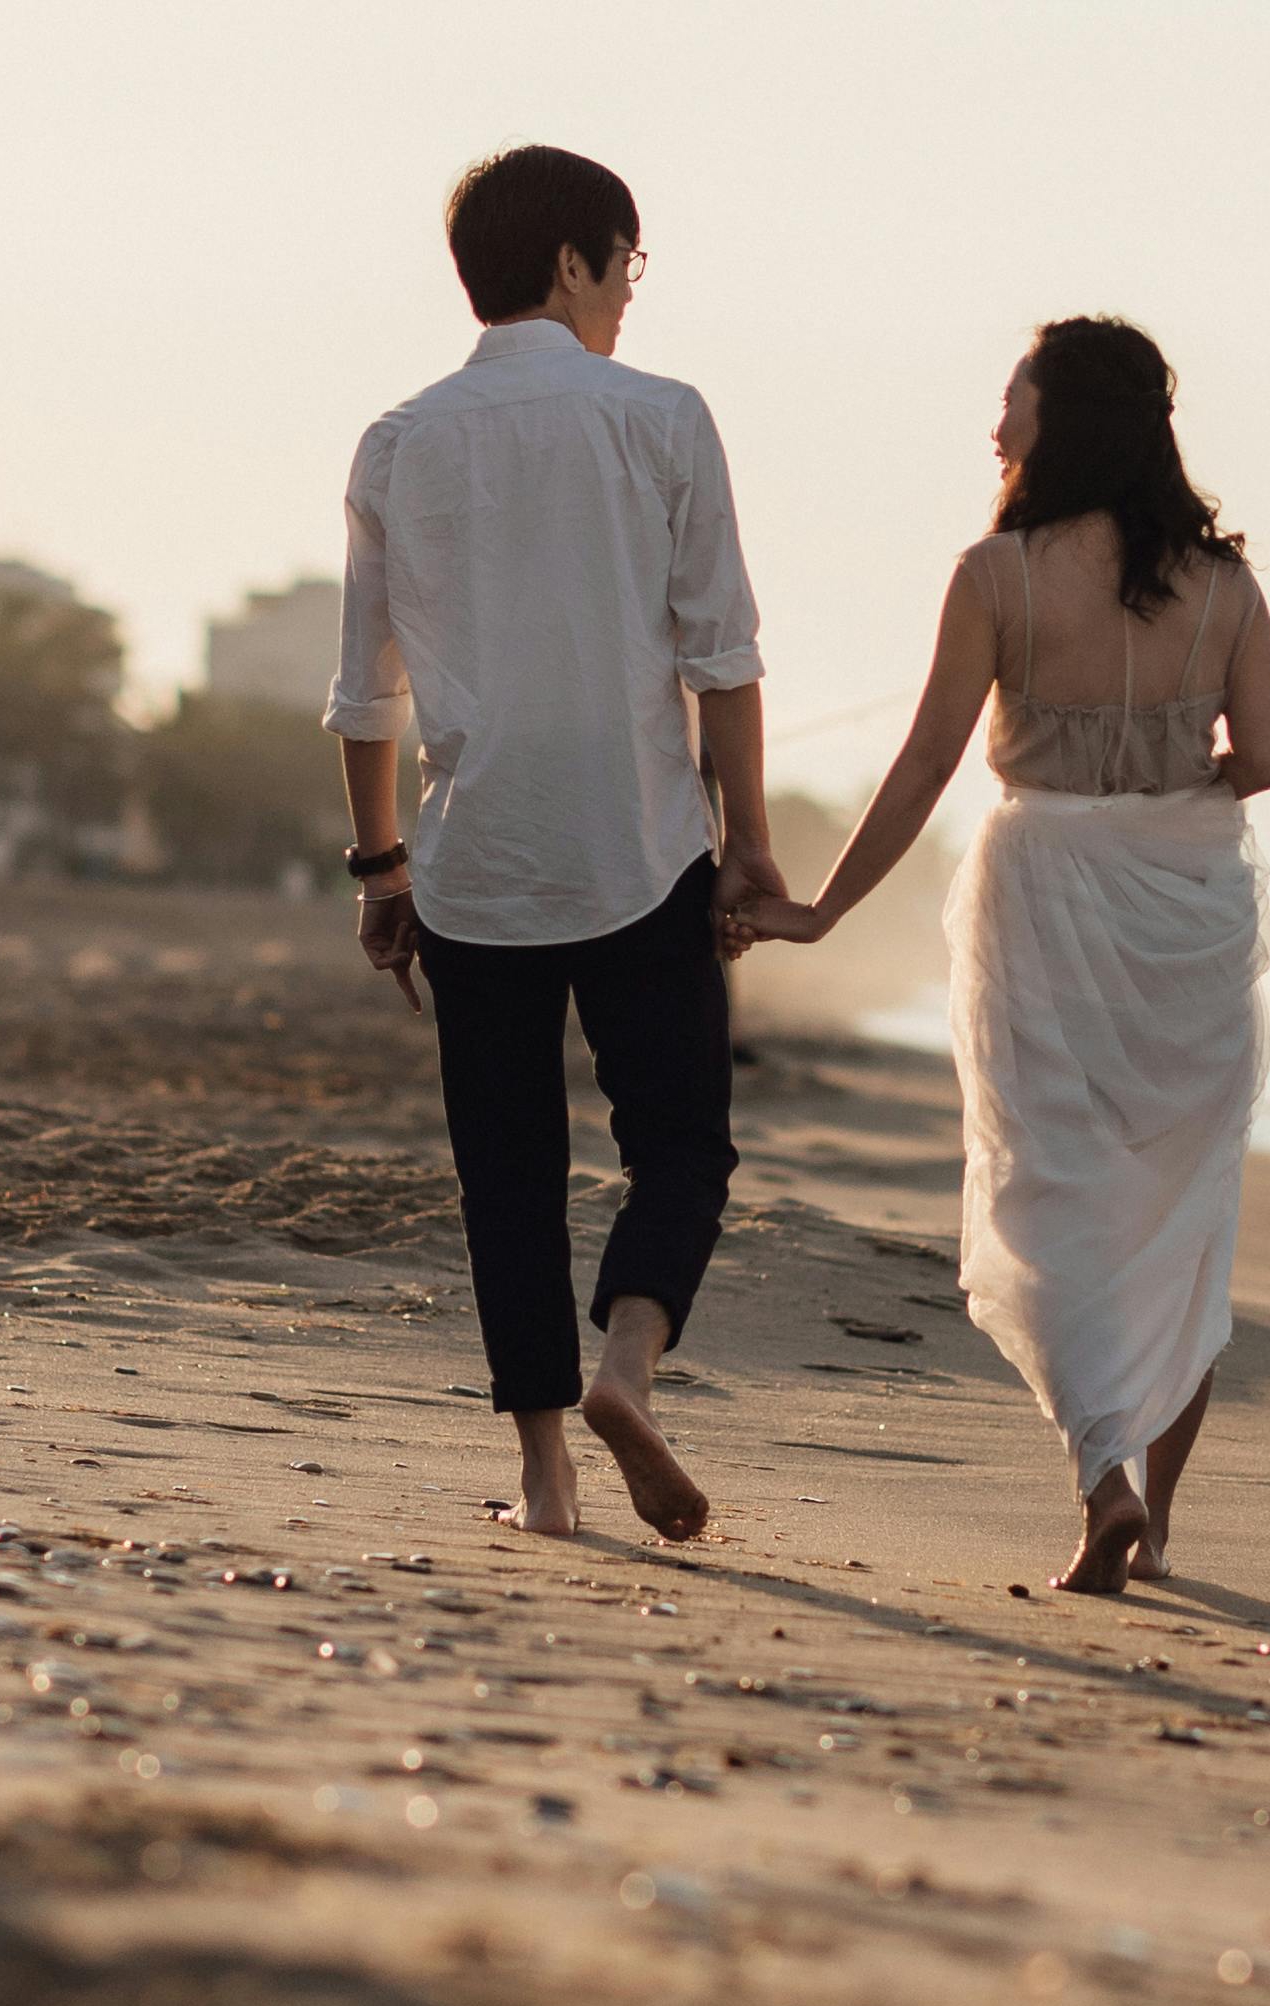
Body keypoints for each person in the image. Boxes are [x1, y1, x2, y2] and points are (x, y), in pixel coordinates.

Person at [743, 315, 1270, 1593]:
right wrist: (1170, 788)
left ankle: (1101, 1486)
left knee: (1052, 1195)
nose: (996, 427)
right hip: (1186, 893)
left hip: (1041, 885)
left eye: (1013, 401)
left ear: (1062, 421)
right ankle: (1154, 1519)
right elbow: (1263, 760)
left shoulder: (996, 577)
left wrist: (821, 908)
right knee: (1178, 1213)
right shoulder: (1226, 584)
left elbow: (929, 762)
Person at [327, 144, 785, 1541]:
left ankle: (544, 1475)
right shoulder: (661, 418)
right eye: (626, 264)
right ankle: (628, 1366)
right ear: (575, 261)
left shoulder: (400, 441)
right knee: (684, 1147)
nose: (629, 295)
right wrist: (746, 844)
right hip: (640, 848)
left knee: (506, 1169)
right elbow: (724, 658)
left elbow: (366, 692)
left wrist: (380, 868)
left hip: (475, 865)